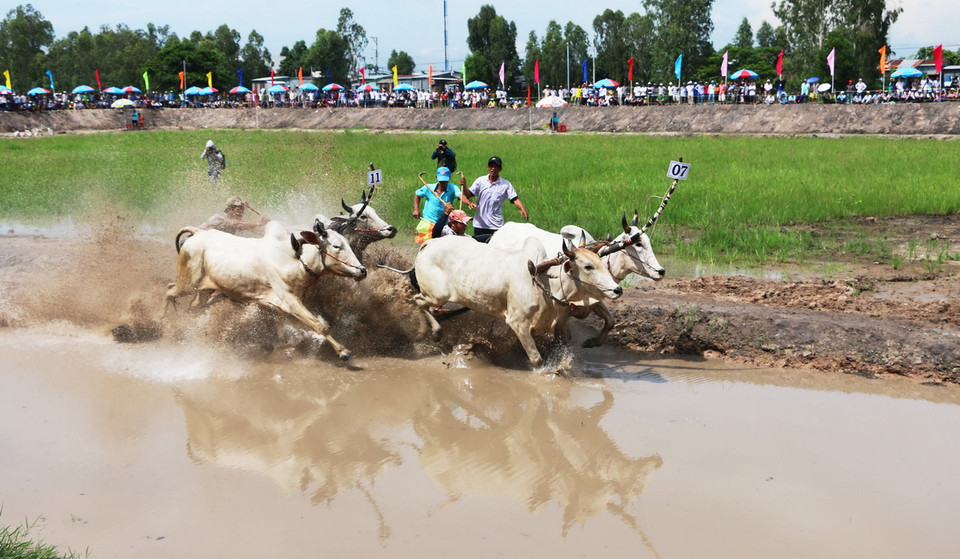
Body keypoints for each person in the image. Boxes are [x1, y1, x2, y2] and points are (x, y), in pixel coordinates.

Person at [464, 156, 527, 241]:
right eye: (491, 166)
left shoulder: (505, 184)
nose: (493, 169)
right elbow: (468, 194)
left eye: (495, 166)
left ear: (500, 169)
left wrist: (522, 208)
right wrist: (464, 185)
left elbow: (514, 199)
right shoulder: (480, 181)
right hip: (480, 224)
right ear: (488, 167)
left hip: (496, 225)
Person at [413, 166, 472, 244]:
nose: (443, 183)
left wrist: (469, 203)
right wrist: (416, 209)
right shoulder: (428, 188)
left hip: (443, 224)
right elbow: (417, 195)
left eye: (445, 181)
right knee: (426, 244)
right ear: (437, 178)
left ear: (449, 178)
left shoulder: (453, 188)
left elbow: (461, 196)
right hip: (429, 221)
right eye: (441, 181)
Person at [199, 196, 269, 235]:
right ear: (229, 209)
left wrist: (270, 227)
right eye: (238, 210)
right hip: (192, 240)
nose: (241, 213)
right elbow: (237, 224)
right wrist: (260, 223)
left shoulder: (237, 221)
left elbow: (257, 230)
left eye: (243, 210)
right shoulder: (220, 217)